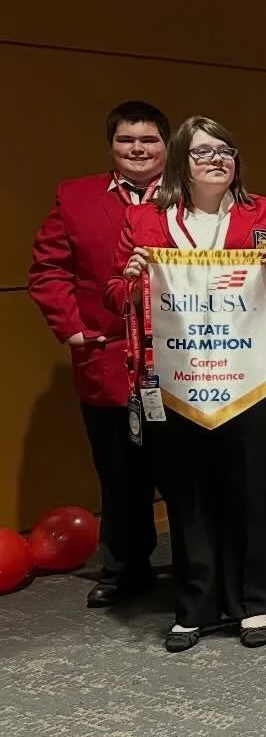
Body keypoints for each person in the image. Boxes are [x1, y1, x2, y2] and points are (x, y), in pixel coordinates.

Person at [106, 115, 266, 650]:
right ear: (181, 162)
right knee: (187, 492)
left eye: (225, 149)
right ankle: (194, 604)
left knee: (250, 488)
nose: (217, 159)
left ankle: (252, 603)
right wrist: (130, 284)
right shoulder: (146, 222)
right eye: (202, 152)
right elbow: (114, 296)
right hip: (179, 377)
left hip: (256, 376)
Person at [28, 101, 171, 608]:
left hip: (184, 362)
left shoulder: (190, 193)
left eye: (149, 140)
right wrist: (70, 329)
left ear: (166, 146)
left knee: (185, 473)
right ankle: (124, 568)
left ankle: (199, 569)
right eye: (127, 140)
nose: (138, 149)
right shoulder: (75, 197)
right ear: (111, 145)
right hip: (109, 359)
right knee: (120, 474)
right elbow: (48, 272)